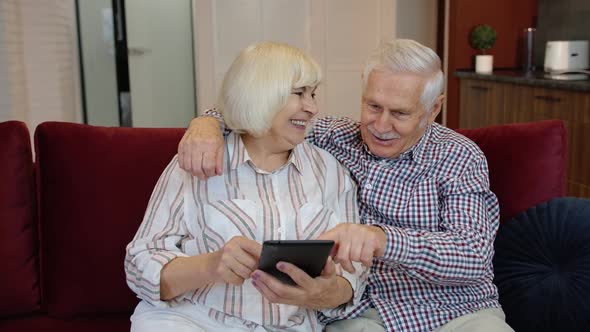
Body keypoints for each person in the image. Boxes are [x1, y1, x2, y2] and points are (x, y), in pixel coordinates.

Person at [177, 39, 515, 332]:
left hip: (455, 312)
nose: (381, 125)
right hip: (362, 314)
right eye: (373, 106)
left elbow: (473, 254)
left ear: (433, 109)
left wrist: (382, 239)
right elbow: (259, 112)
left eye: (399, 113)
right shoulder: (333, 136)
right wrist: (206, 121)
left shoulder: (459, 156)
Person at [125, 42, 367, 332]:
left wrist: (323, 294)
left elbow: (354, 276)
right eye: (299, 93)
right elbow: (140, 266)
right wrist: (210, 266)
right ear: (261, 93)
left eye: (313, 94)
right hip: (194, 321)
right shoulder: (197, 161)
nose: (313, 107)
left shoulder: (330, 172)